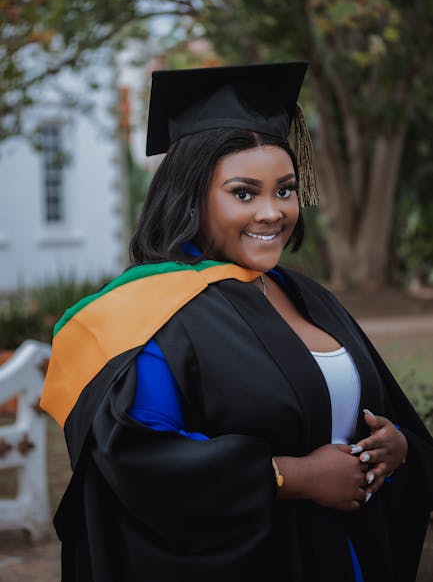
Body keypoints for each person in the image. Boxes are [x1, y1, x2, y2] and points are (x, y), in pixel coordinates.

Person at [41, 62, 433, 582]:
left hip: (348, 553)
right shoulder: (152, 314)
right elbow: (141, 464)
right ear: (190, 195)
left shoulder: (307, 295)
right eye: (244, 193)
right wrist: (295, 477)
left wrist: (397, 447)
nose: (272, 212)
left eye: (285, 190)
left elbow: (374, 409)